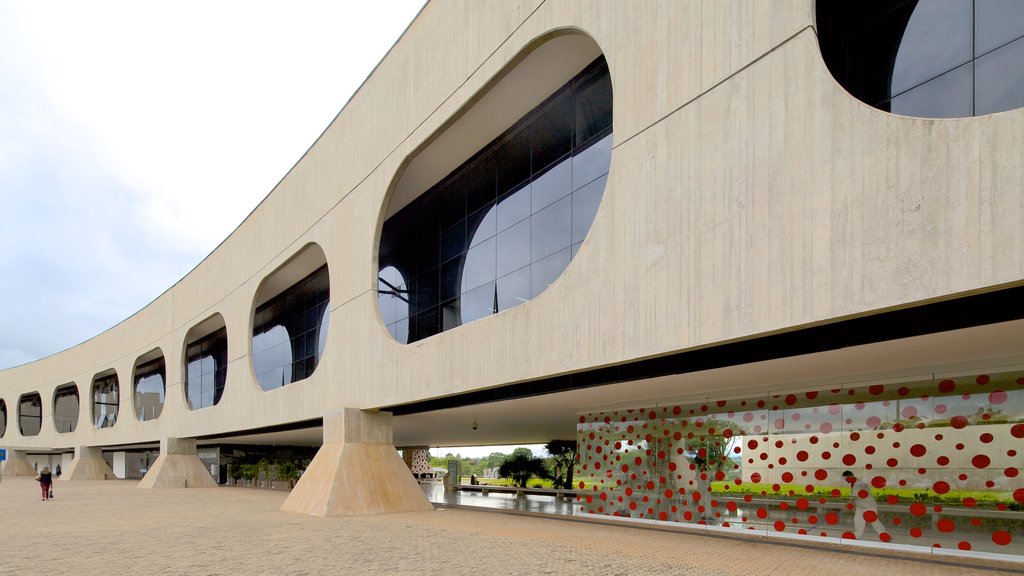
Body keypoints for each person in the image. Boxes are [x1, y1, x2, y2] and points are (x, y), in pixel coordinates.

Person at [843, 470, 886, 539]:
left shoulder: (858, 484)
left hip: (868, 505)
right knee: (858, 520)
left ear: (851, 476)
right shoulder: (854, 483)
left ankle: (884, 534)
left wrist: (847, 504)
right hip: (861, 506)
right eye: (844, 479)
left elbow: (854, 497)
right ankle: (857, 535)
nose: (845, 480)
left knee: (873, 521)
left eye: (846, 478)